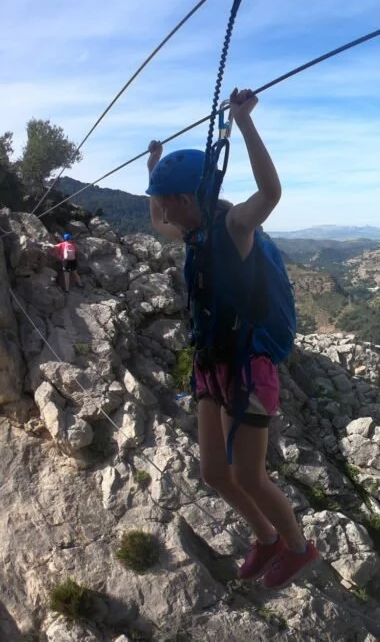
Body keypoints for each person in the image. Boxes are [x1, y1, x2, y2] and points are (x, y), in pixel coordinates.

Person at [146, 88, 318, 590]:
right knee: (214, 473)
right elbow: (157, 222)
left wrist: (243, 123)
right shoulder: (191, 232)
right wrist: (155, 165)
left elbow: (269, 194)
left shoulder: (233, 226)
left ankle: (299, 549)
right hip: (212, 362)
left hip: (248, 365)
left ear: (183, 199)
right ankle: (265, 539)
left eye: (164, 199)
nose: (161, 211)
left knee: (247, 475)